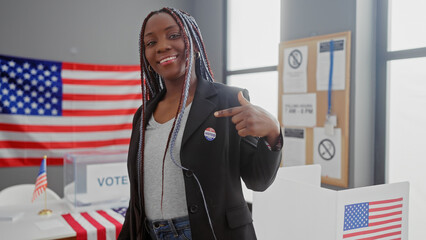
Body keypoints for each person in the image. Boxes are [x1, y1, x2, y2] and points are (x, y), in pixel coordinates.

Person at [118, 7, 282, 240]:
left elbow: (259, 180)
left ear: (193, 42)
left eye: (173, 35)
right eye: (150, 42)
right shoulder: (143, 115)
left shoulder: (228, 100)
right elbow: (137, 197)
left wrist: (273, 133)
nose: (162, 46)